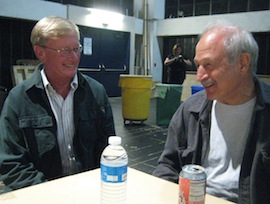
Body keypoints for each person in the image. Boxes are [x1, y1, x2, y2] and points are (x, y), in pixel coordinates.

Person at [153, 19, 270, 204]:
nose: (199, 77)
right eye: (198, 65)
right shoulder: (190, 110)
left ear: (242, 63)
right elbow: (168, 166)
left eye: (208, 65)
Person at [0, 16, 115, 192]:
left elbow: (108, 149)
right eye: (65, 50)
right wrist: (51, 193)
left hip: (87, 191)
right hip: (40, 194)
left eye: (77, 49)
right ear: (40, 53)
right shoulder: (19, 100)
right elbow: (11, 163)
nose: (74, 57)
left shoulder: (96, 93)